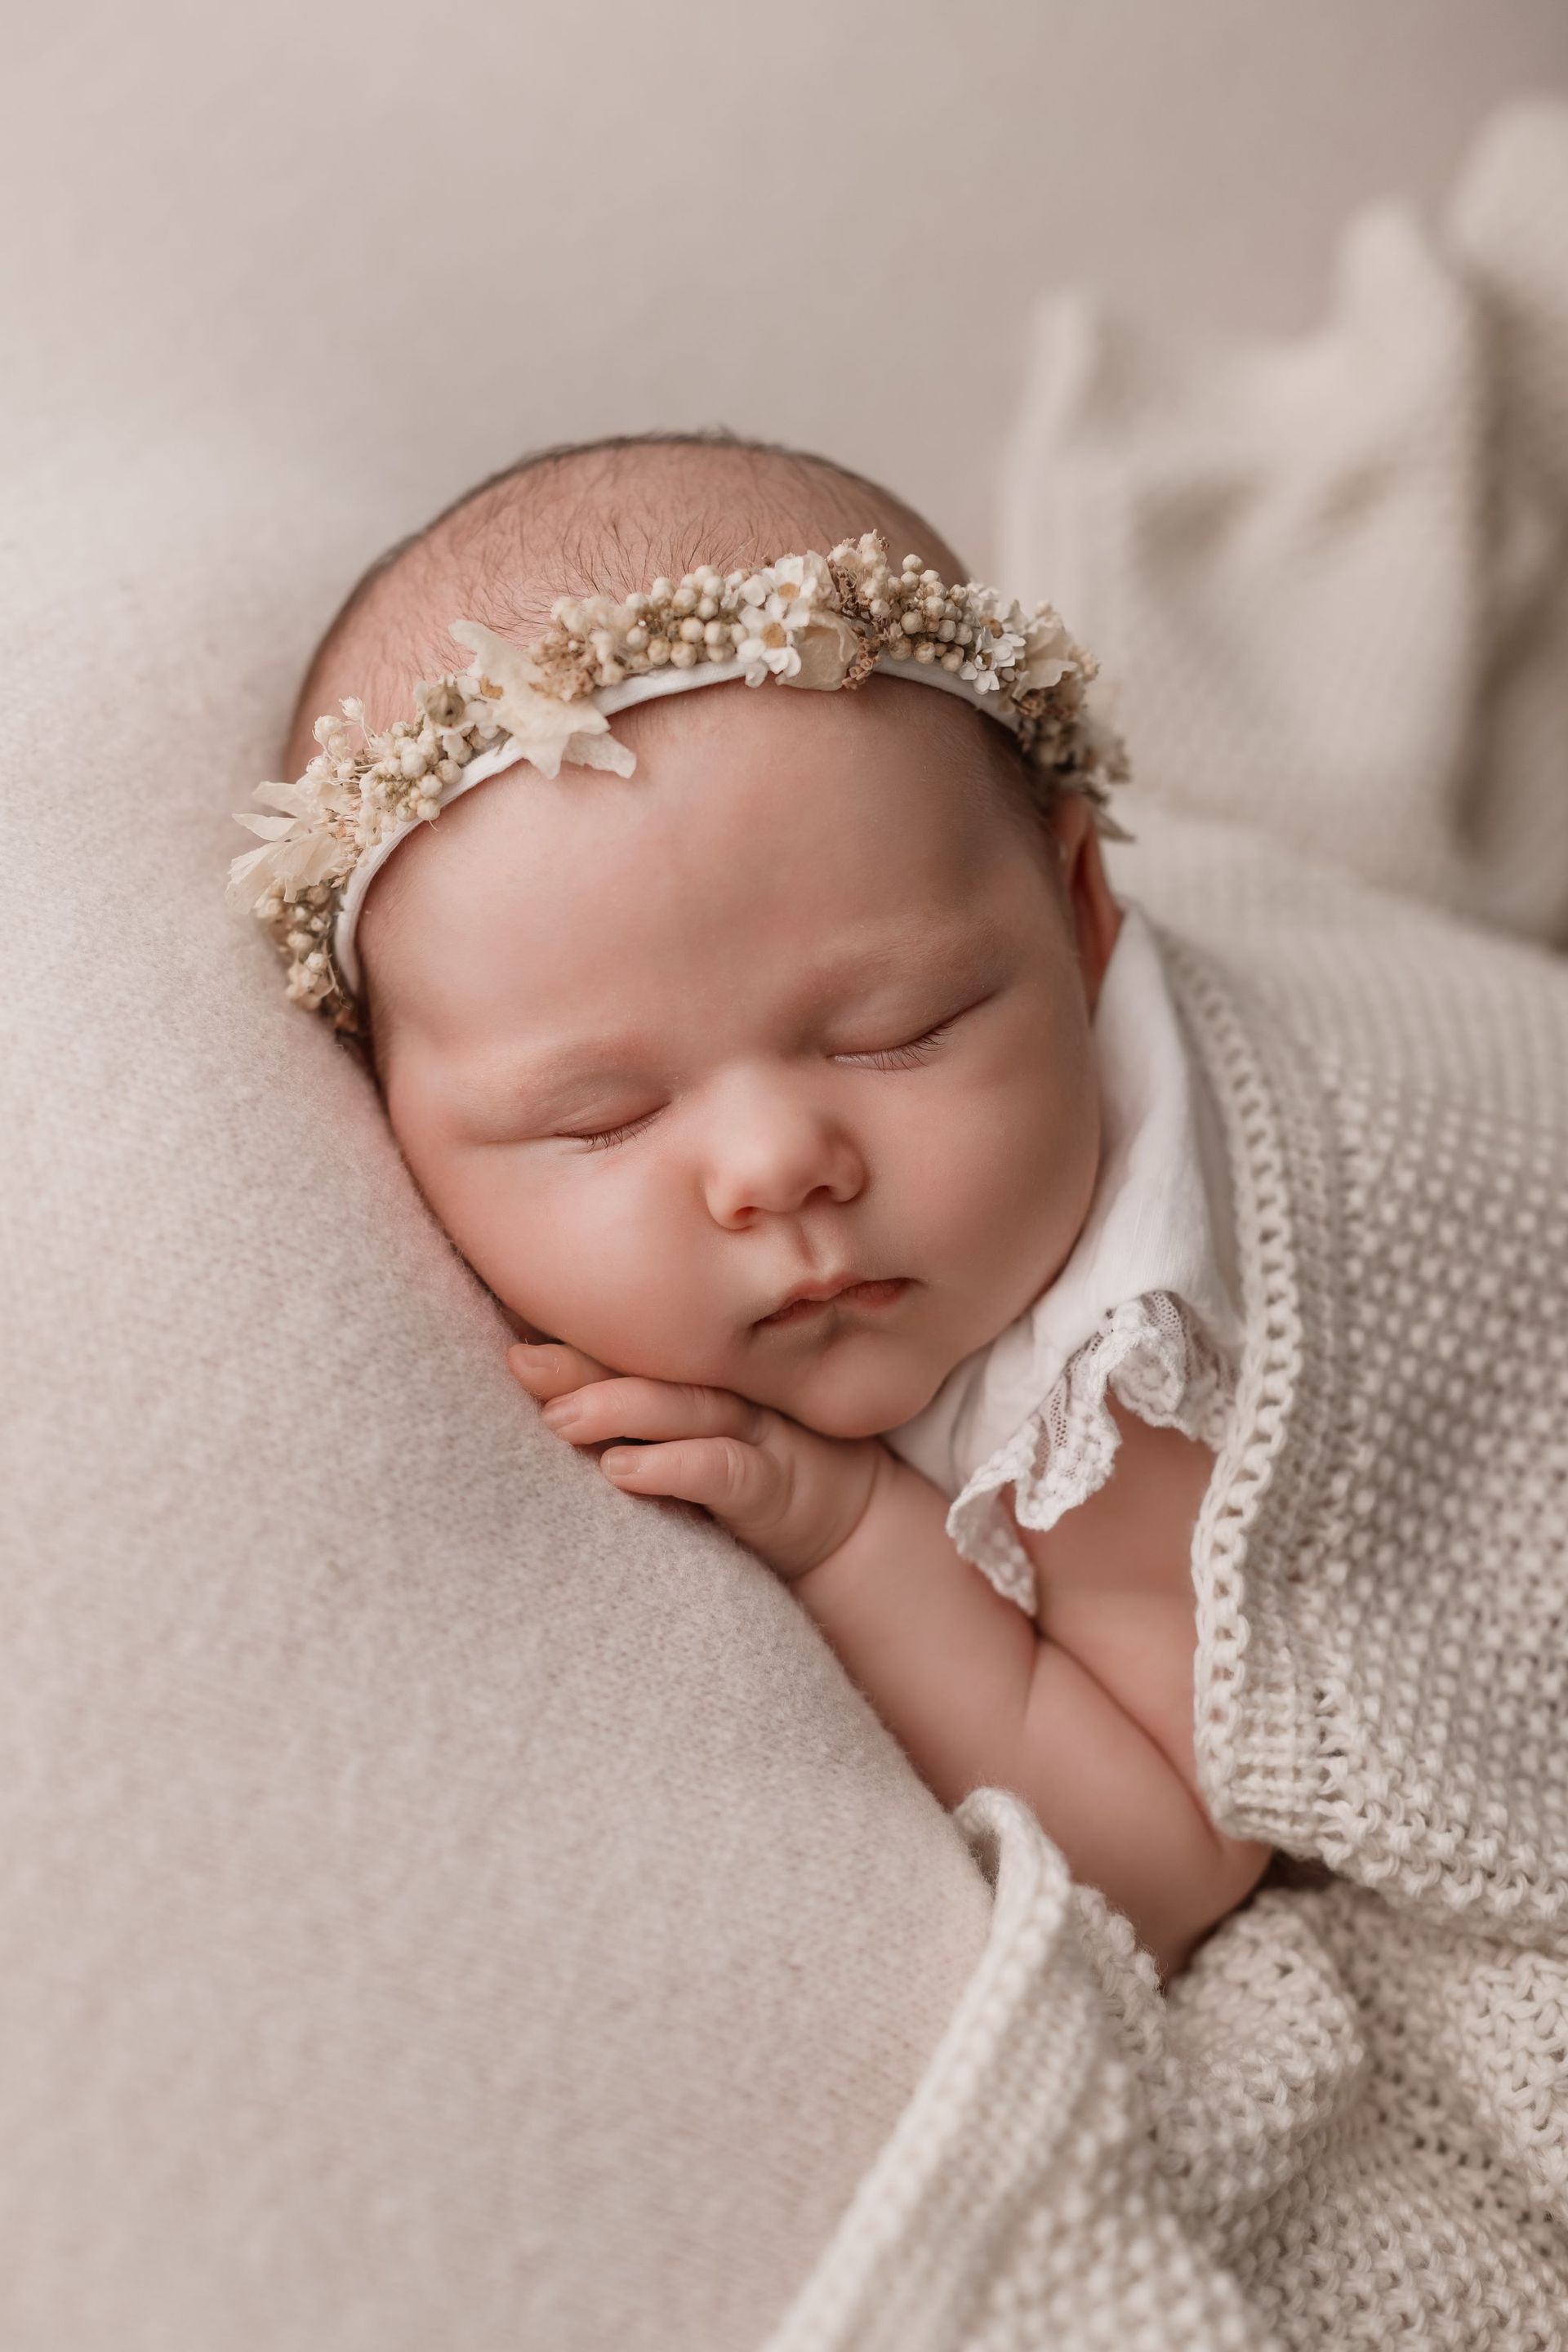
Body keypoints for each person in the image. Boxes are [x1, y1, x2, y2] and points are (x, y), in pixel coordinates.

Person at [225, 432, 1276, 1982]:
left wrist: (853, 1531)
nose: (777, 1167)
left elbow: (1177, 1861)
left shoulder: (1135, 1362)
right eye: (603, 1116)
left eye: (899, 1025)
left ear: (1077, 910)